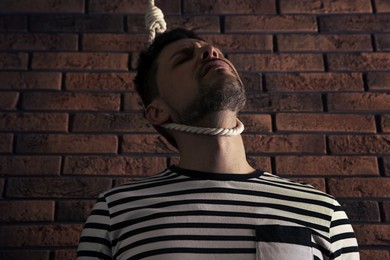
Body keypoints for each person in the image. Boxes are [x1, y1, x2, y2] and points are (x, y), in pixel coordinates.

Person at [77, 28, 359, 260]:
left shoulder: (322, 210)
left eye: (217, 52)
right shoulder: (116, 211)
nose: (210, 52)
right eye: (183, 58)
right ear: (157, 111)